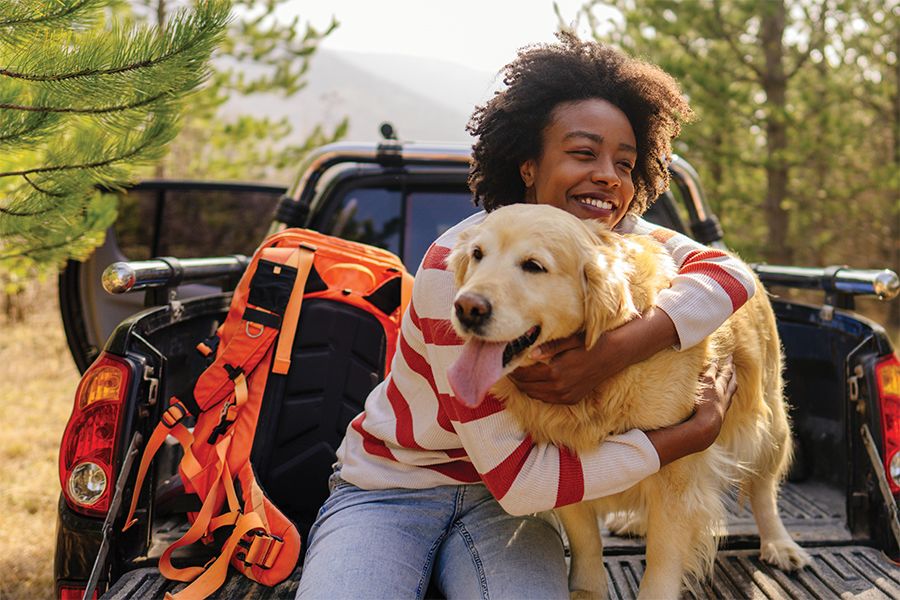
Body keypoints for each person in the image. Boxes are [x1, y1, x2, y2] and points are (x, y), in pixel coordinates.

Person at [296, 33, 754, 600]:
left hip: (515, 510)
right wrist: (691, 434)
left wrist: (618, 348)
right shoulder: (460, 264)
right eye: (583, 154)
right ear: (529, 166)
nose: (608, 175)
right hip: (395, 486)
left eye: (625, 163)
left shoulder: (613, 239)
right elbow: (523, 481)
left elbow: (733, 276)